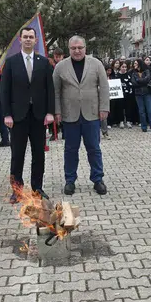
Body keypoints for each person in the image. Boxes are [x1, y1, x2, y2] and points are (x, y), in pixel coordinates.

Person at [1, 27, 54, 203]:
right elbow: (5, 90)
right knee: (17, 154)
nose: (28, 40)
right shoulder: (11, 62)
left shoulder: (44, 62)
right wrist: (7, 114)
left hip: (39, 116)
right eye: (25, 37)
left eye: (31, 37)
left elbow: (50, 90)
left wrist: (50, 112)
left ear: (36, 40)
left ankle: (37, 188)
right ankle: (17, 190)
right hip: (17, 117)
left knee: (39, 154)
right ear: (20, 40)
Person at [53, 36, 109, 196]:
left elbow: (104, 87)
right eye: (73, 48)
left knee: (94, 148)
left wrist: (104, 107)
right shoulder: (60, 67)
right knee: (70, 149)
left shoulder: (96, 64)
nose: (77, 51)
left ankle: (98, 179)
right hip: (69, 115)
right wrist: (57, 111)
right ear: (68, 49)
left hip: (91, 113)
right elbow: (55, 91)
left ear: (85, 47)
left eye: (80, 47)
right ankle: (70, 181)